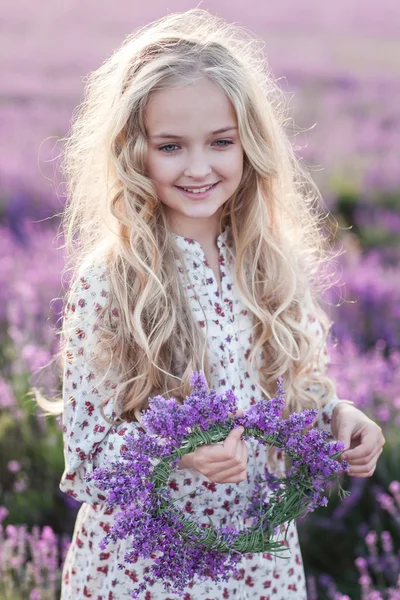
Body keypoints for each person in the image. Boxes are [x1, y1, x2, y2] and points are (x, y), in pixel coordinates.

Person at [55, 8, 385, 599]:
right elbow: (86, 461)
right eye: (171, 146)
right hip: (143, 575)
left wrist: (336, 417)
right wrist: (178, 451)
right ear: (135, 152)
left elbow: (289, 402)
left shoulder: (275, 268)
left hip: (259, 570)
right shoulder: (110, 280)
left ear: (249, 146)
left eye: (221, 142)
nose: (200, 167)